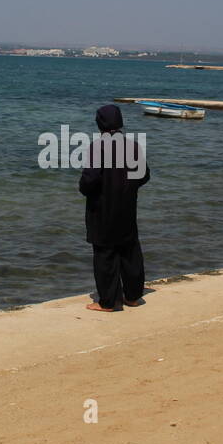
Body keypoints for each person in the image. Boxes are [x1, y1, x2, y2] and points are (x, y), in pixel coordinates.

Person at [79, 105, 150, 312]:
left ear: (100, 124)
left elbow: (89, 181)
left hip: (102, 209)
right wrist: (128, 188)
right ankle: (133, 296)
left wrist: (85, 190)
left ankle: (108, 302)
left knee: (105, 253)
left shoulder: (97, 147)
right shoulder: (133, 146)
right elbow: (144, 175)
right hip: (127, 207)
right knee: (129, 250)